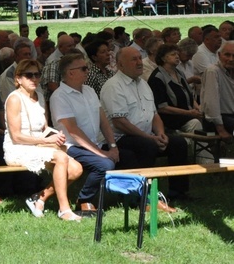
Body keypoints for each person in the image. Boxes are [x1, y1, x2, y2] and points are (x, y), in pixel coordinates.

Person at [101, 47, 187, 208]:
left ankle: (178, 193)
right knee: (146, 145)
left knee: (178, 143)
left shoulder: (143, 84)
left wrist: (161, 134)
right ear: (120, 65)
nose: (139, 62)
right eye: (134, 59)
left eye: (140, 58)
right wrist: (149, 138)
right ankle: (141, 197)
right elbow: (120, 122)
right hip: (118, 138)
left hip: (146, 136)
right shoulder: (113, 86)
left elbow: (154, 114)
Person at [4, 59, 82, 221]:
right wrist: (47, 141)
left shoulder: (39, 96)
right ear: (18, 79)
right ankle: (64, 209)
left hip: (37, 145)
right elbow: (16, 136)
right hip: (17, 148)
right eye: (29, 75)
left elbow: (44, 128)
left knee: (76, 169)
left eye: (37, 75)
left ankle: (39, 198)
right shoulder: (14, 99)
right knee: (60, 158)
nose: (34, 79)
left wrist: (56, 137)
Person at [50, 53, 120, 217]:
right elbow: (73, 131)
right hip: (70, 146)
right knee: (104, 165)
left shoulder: (89, 91)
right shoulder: (59, 96)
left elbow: (103, 120)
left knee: (128, 154)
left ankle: (131, 197)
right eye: (83, 68)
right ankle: (84, 200)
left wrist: (113, 146)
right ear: (70, 73)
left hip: (93, 144)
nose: (88, 71)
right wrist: (101, 152)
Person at [148, 44, 203, 134]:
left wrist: (197, 109)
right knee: (195, 123)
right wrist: (189, 113)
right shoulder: (157, 77)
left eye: (177, 54)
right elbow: (162, 108)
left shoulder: (179, 73)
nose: (177, 56)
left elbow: (189, 95)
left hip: (186, 115)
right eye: (173, 54)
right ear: (163, 58)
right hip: (170, 119)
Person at [200, 40, 234, 142]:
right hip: (217, 120)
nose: (231, 59)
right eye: (227, 55)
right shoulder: (213, 71)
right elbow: (211, 104)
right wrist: (221, 129)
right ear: (219, 55)